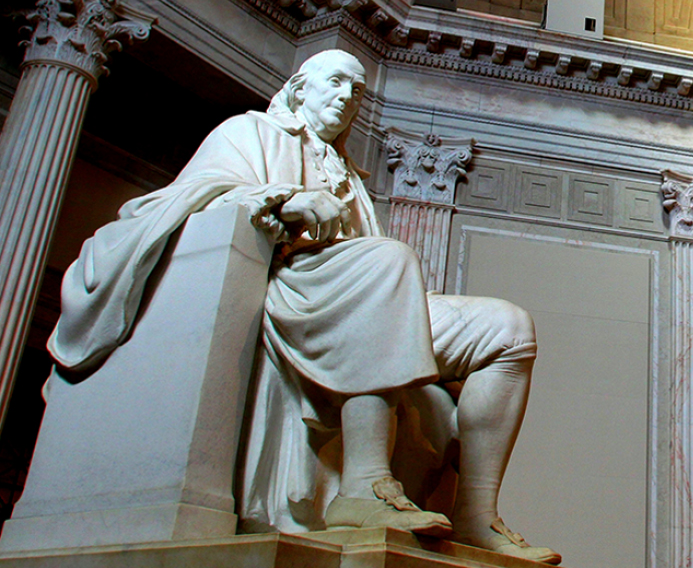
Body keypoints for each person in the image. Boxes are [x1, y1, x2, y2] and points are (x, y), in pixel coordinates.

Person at [47, 50, 560, 564]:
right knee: (388, 262)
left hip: (359, 287)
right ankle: (362, 487)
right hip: (287, 282)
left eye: (357, 91)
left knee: (508, 327)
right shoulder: (249, 134)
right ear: (299, 90)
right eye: (336, 82)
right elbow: (190, 199)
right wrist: (279, 199)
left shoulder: (349, 173)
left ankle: (475, 513)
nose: (347, 97)